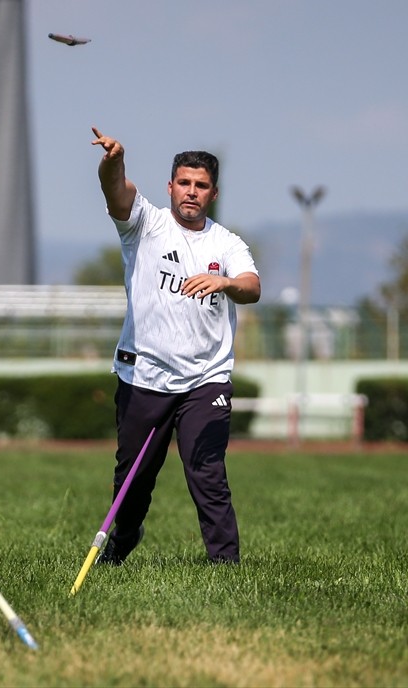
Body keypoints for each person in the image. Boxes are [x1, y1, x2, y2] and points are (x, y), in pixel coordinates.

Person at [89, 126, 261, 565]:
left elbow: (251, 286)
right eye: (184, 182)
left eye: (201, 185)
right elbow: (116, 192)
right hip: (144, 376)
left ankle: (225, 563)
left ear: (213, 193)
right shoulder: (145, 224)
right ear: (170, 187)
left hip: (206, 378)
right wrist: (113, 162)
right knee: (133, 479)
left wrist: (225, 282)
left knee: (207, 470)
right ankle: (125, 536)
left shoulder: (227, 243)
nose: (191, 191)